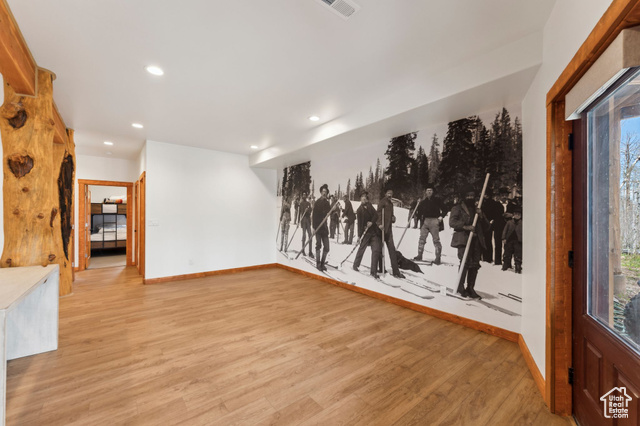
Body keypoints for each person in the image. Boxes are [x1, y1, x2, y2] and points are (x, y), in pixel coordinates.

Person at [449, 184, 489, 299]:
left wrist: (481, 215)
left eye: (472, 195)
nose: (470, 197)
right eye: (468, 195)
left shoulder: (477, 209)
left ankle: (470, 288)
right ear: (464, 196)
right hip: (463, 239)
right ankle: (460, 287)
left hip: (476, 240)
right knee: (465, 263)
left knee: (475, 264)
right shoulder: (457, 208)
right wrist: (466, 227)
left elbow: (487, 227)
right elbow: (452, 222)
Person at [353, 192, 382, 278]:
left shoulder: (369, 205)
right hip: (365, 233)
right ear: (360, 199)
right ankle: (355, 265)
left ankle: (373, 272)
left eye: (365, 197)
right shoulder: (359, 210)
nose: (364, 199)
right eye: (362, 197)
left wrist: (371, 222)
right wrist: (359, 236)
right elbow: (359, 224)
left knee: (376, 250)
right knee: (362, 249)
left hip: (373, 232)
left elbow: (376, 215)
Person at [377, 188, 405, 278]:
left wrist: (393, 218)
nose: (390, 195)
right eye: (388, 193)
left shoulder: (391, 204)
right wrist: (379, 224)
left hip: (389, 230)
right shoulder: (382, 202)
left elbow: (391, 215)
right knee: (380, 250)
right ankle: (381, 268)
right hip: (381, 230)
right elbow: (378, 214)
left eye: (391, 193)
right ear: (385, 194)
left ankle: (396, 271)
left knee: (392, 250)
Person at [414, 186, 445, 265]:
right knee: (422, 239)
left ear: (433, 191)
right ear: (425, 192)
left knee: (436, 240)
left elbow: (445, 208)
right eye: (427, 190)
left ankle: (438, 258)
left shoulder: (437, 200)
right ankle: (419, 255)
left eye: (430, 190)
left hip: (434, 221)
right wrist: (417, 204)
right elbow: (418, 212)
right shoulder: (423, 202)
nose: (429, 192)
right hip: (425, 221)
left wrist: (441, 216)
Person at [481, 188, 506, 265]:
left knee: (497, 242)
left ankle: (496, 260)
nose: (485, 196)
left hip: (496, 224)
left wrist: (493, 220)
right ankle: (488, 258)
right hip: (488, 223)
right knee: (488, 240)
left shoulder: (496, 204)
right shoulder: (482, 203)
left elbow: (499, 214)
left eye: (487, 195)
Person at [312, 184, 332, 271]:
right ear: (321, 192)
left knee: (327, 247)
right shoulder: (317, 203)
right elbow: (313, 216)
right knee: (318, 245)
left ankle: (323, 263)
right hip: (318, 227)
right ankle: (318, 263)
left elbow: (330, 212)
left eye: (325, 192)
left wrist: (332, 210)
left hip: (324, 228)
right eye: (323, 191)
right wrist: (313, 227)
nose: (324, 193)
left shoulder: (327, 203)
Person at [502, 208, 523, 273]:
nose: (517, 215)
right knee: (507, 253)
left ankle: (518, 267)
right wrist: (504, 238)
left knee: (518, 254)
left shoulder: (522, 223)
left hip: (518, 241)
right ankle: (506, 265)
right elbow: (505, 231)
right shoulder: (509, 222)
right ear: (513, 215)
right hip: (509, 240)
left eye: (519, 214)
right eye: (516, 214)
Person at [299, 192, 313, 258]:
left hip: (308, 221)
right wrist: (298, 222)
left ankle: (310, 251)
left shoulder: (308, 203)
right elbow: (299, 213)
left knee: (310, 235)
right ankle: (303, 250)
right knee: (304, 236)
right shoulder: (301, 204)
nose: (304, 196)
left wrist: (308, 210)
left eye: (305, 195)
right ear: (302, 196)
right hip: (303, 221)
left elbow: (310, 211)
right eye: (303, 195)